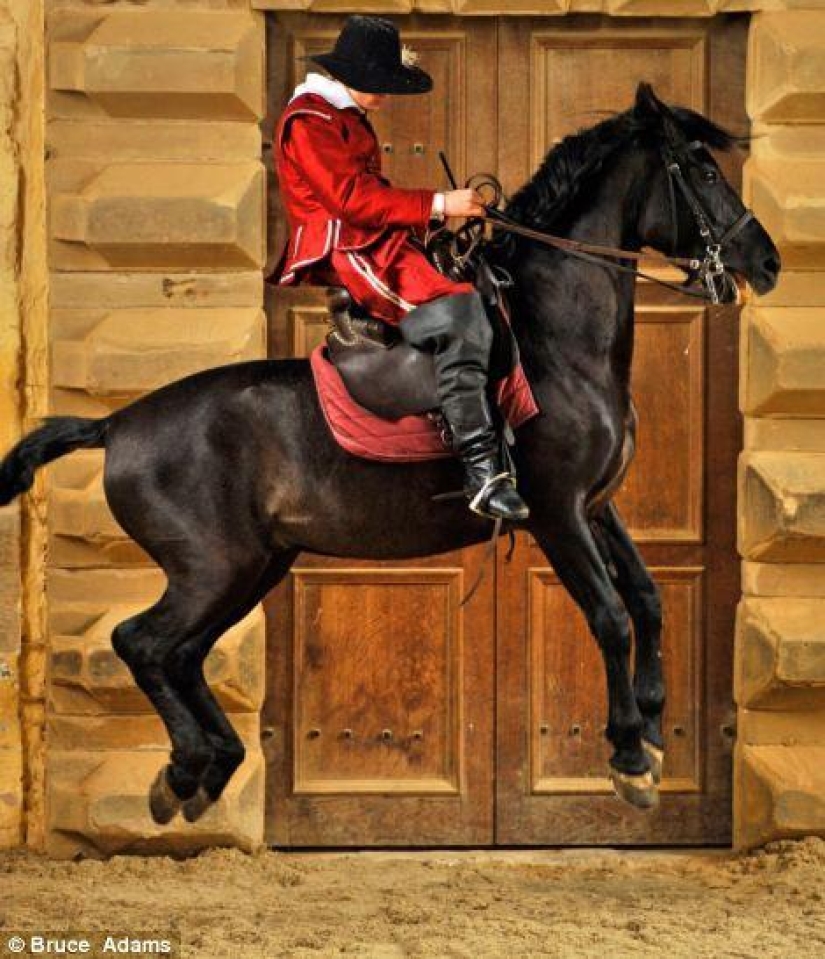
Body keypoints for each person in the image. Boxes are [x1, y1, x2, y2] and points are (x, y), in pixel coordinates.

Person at [271, 15, 528, 523]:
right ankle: (482, 472)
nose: (386, 97)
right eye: (381, 85)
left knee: (475, 282)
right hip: (348, 248)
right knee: (457, 318)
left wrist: (438, 221)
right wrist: (438, 203)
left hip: (376, 240)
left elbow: (376, 200)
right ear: (350, 75)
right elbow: (351, 201)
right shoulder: (309, 122)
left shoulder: (342, 115)